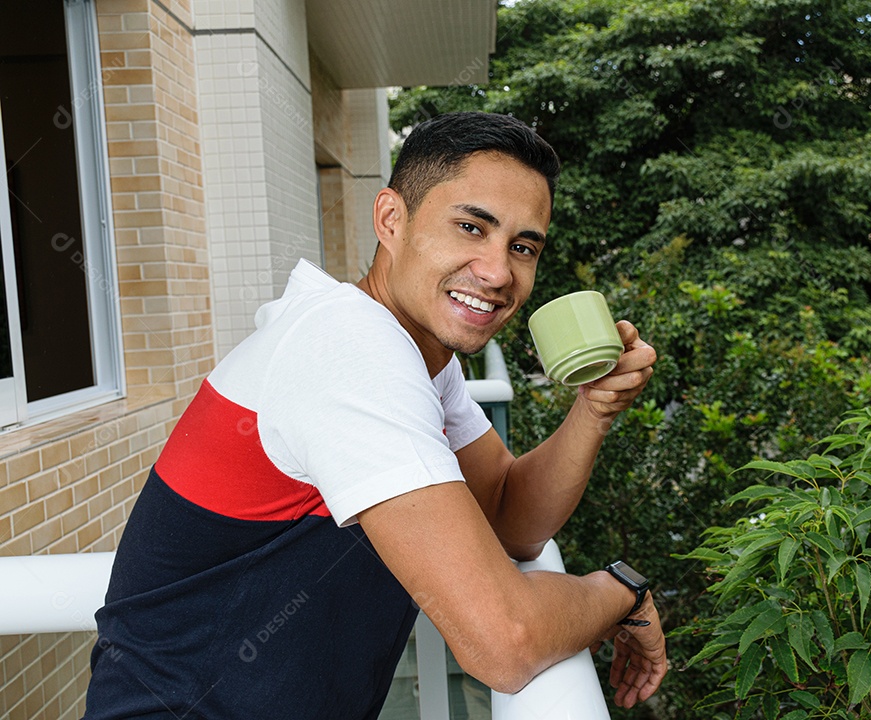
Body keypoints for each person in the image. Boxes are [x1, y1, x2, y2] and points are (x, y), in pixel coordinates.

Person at [83, 111, 666, 719]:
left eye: (522, 246)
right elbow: (505, 643)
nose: (497, 273)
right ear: (391, 219)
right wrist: (620, 592)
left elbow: (509, 516)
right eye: (471, 227)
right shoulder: (349, 347)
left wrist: (593, 410)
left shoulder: (415, 354)